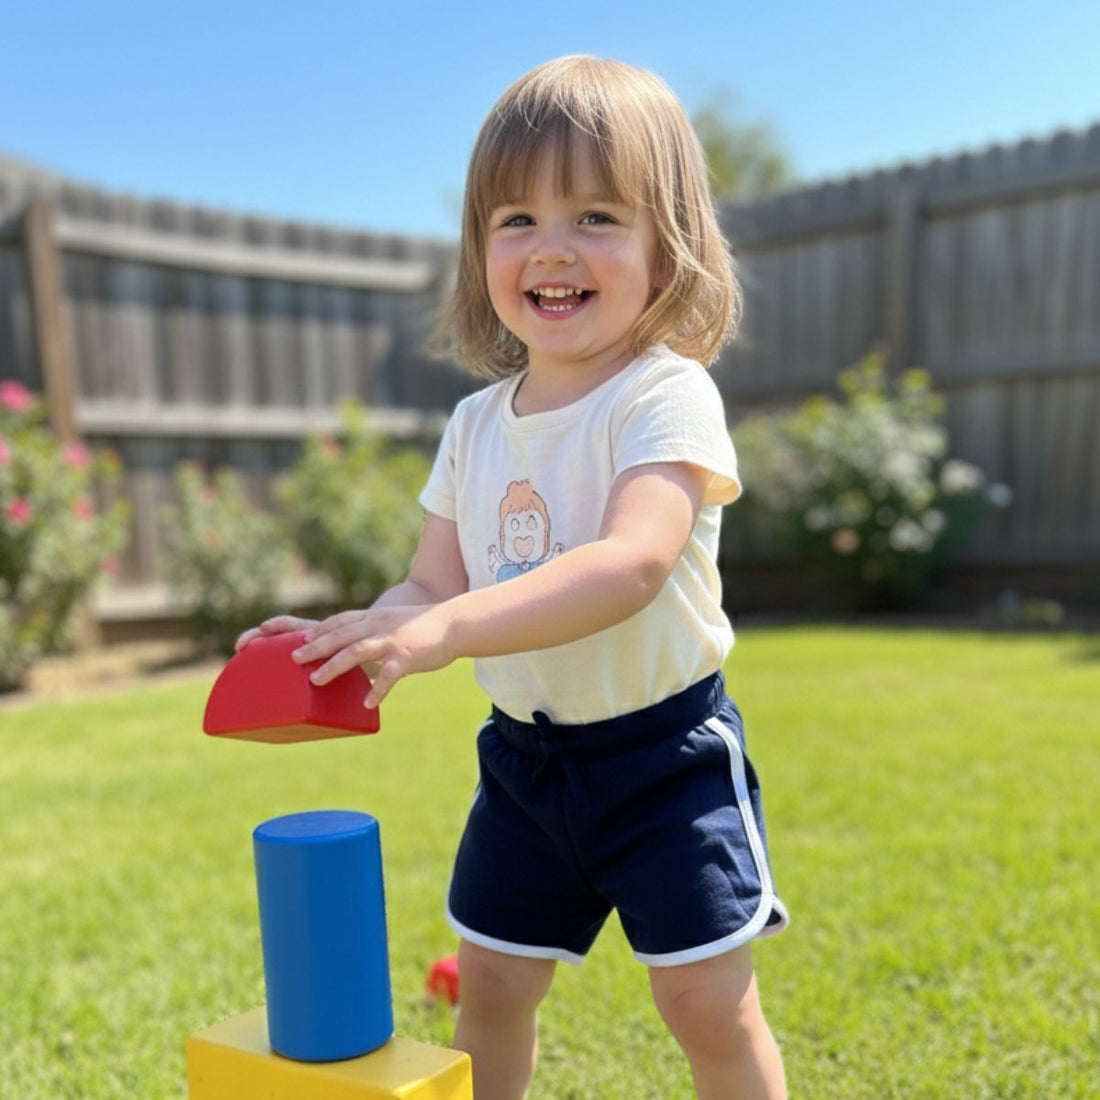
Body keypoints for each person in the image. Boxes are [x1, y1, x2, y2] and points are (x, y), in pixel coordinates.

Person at [238, 55, 789, 1100]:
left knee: (705, 1004)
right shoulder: (474, 426)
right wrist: (364, 626)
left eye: (594, 216)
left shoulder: (663, 397)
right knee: (488, 984)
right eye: (515, 219)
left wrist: (445, 632)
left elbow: (627, 563)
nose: (551, 247)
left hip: (662, 758)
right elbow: (428, 585)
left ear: (667, 244)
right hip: (526, 768)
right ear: (478, 248)